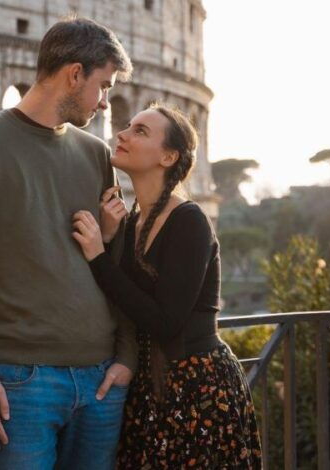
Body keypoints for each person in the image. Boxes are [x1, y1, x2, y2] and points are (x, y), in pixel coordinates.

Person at [0, 17, 138, 469]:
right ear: (74, 73)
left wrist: (125, 356)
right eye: (103, 86)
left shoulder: (96, 155)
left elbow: (116, 264)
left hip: (101, 383)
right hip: (18, 385)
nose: (105, 102)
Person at [72, 103, 262, 468]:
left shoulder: (190, 221)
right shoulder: (131, 223)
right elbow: (124, 297)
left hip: (199, 390)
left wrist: (98, 255)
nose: (123, 134)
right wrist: (111, 241)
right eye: (128, 126)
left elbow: (165, 321)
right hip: (150, 390)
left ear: (168, 156)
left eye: (141, 131)